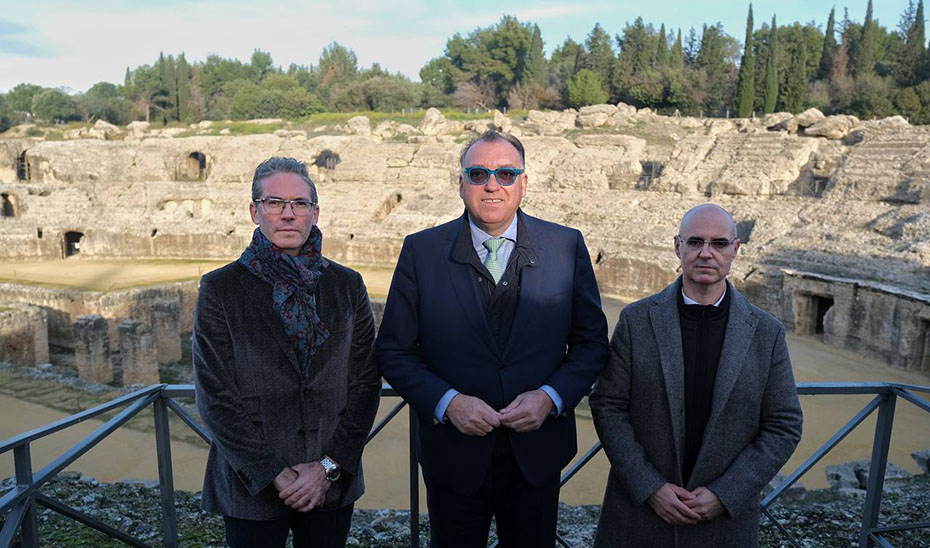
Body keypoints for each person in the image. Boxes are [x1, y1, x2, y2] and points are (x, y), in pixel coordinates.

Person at [375, 130, 609, 547]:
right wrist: (449, 403)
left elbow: (591, 344)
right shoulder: (421, 250)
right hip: (453, 455)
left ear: (524, 182)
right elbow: (393, 351)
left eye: (505, 173)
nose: (492, 184)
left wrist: (550, 398)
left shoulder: (565, 246)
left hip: (537, 453)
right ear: (461, 182)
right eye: (479, 172)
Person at [589, 203, 803, 547]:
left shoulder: (767, 332)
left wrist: (725, 493)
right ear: (678, 246)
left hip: (723, 526)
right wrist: (650, 487)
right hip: (638, 518)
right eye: (695, 242)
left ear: (735, 250)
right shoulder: (636, 320)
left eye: (718, 244)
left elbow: (784, 425)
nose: (706, 253)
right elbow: (608, 406)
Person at [193, 157, 380, 548]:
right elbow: (215, 396)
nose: (288, 214)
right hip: (252, 485)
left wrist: (327, 468)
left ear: (315, 212)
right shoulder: (220, 289)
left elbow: (364, 384)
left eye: (299, 204)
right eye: (275, 203)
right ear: (254, 211)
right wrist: (275, 473)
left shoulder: (347, 285)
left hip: (330, 483)